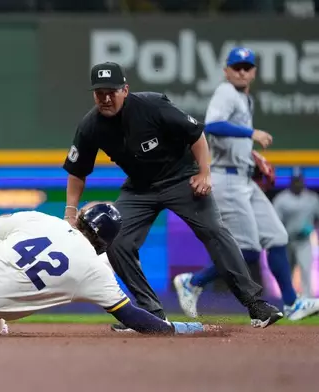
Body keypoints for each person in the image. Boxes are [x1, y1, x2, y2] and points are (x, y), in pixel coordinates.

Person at [62, 61, 283, 332]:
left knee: (215, 231)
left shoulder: (152, 106)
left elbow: (196, 135)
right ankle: (150, 313)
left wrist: (204, 173)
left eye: (112, 91)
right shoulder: (90, 125)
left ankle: (257, 306)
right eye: (99, 93)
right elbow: (77, 172)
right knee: (115, 241)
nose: (106, 98)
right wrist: (70, 210)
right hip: (140, 188)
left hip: (181, 177)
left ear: (125, 90)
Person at [0, 203, 211, 336]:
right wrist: (174, 328)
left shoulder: (44, 220)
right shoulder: (95, 269)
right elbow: (133, 317)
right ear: (106, 242)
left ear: (82, 218)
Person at [173, 47, 319, 321]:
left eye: (247, 67)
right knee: (249, 250)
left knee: (277, 237)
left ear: (253, 72)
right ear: (226, 70)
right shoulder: (226, 92)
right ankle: (194, 282)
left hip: (243, 176)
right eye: (236, 66)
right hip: (226, 178)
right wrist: (252, 134)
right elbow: (213, 125)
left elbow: (229, 138)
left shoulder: (244, 98)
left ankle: (291, 304)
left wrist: (253, 155)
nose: (241, 71)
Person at [273, 169, 319, 298]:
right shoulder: (282, 199)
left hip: (304, 241)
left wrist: (312, 227)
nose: (298, 183)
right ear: (291, 181)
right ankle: (288, 300)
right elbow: (275, 221)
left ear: (303, 181)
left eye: (299, 180)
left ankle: (308, 301)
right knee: (287, 272)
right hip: (287, 240)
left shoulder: (312, 198)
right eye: (295, 181)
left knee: (306, 270)